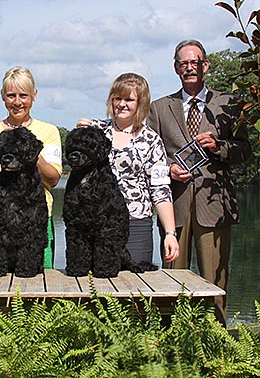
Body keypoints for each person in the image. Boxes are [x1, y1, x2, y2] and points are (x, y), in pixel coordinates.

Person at [146, 39, 252, 325]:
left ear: (205, 65)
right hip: (174, 207)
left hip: (215, 206)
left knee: (215, 283)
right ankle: (170, 345)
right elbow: (150, 155)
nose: (189, 68)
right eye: (183, 63)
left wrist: (218, 146)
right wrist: (168, 170)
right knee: (171, 282)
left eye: (195, 62)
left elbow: (245, 151)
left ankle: (217, 344)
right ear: (176, 68)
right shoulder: (159, 107)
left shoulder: (229, 104)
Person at [77, 73, 179, 266]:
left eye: (129, 99)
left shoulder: (152, 141)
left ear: (141, 103)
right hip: (95, 223)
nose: (122, 104)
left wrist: (170, 233)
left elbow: (161, 190)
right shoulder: (95, 131)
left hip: (136, 225)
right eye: (117, 98)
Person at [0, 66, 62, 268]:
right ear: (3, 97)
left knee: (37, 289)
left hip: (38, 220)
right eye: (11, 95)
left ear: (34, 95)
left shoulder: (48, 132)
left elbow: (53, 180)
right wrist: (1, 206)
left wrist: (31, 150)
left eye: (23, 95)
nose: (17, 102)